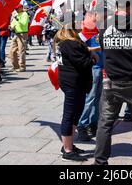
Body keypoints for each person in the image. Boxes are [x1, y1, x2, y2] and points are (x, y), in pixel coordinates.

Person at [94, 0, 132, 166]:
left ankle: (100, 162)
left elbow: (104, 48)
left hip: (112, 82)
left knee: (105, 123)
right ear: (130, 6)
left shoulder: (104, 26)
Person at [54, 23, 95, 162]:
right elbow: (83, 62)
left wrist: (89, 51)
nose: (81, 24)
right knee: (70, 115)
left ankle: (68, 144)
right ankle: (67, 151)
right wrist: (93, 58)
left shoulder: (65, 42)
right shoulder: (70, 44)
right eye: (78, 22)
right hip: (73, 83)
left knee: (76, 113)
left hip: (72, 82)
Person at [77, 12, 104, 142]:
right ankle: (82, 125)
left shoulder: (101, 30)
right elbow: (81, 49)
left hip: (102, 67)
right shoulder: (85, 32)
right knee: (90, 97)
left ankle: (93, 123)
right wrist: (99, 47)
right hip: (93, 68)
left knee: (98, 98)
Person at [9, 5, 30, 72]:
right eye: (15, 9)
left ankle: (22, 66)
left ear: (21, 8)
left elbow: (24, 23)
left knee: (21, 51)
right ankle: (15, 66)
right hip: (16, 34)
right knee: (12, 51)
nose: (16, 10)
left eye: (17, 8)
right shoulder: (17, 14)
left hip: (22, 34)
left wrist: (17, 19)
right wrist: (11, 26)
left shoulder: (25, 14)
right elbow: (13, 23)